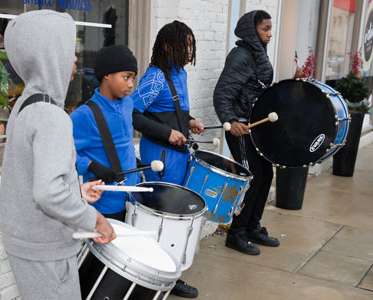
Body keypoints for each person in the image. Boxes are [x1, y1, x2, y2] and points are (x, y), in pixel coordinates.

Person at [0, 10, 115, 300]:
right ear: (48, 55)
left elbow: (31, 178)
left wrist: (75, 191)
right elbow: (48, 194)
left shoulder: (25, 106)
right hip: (45, 248)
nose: (75, 58)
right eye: (69, 50)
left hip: (26, 243)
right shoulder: (51, 116)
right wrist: (96, 220)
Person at [131, 20, 203, 299]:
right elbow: (133, 113)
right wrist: (167, 132)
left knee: (176, 216)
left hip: (177, 153)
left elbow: (173, 108)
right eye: (184, 46)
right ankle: (160, 275)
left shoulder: (179, 74)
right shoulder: (155, 76)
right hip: (160, 154)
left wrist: (190, 121)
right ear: (167, 46)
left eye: (190, 45)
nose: (188, 51)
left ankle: (169, 272)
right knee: (163, 216)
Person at [213, 10, 280, 256]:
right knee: (251, 178)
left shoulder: (256, 53)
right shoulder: (240, 55)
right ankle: (236, 233)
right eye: (265, 29)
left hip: (256, 126)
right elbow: (223, 92)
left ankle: (252, 226)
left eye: (271, 28)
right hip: (241, 128)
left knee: (265, 174)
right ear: (253, 30)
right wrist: (230, 120)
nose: (270, 33)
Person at [71, 45, 139, 222]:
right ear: (107, 75)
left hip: (132, 198)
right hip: (103, 205)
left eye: (132, 78)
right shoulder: (83, 115)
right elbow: (62, 154)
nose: (131, 84)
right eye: (126, 77)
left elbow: (122, 142)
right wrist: (91, 165)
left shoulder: (127, 104)